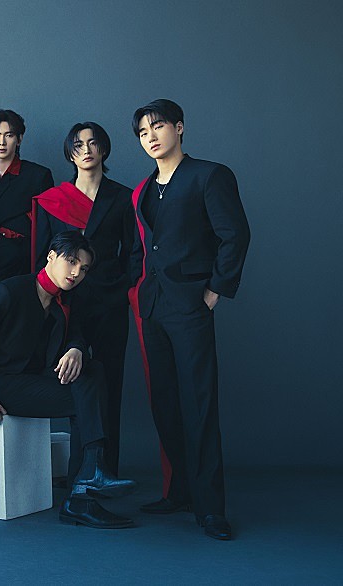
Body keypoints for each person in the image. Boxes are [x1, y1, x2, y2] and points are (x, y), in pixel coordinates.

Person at [0, 230, 137, 529]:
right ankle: (83, 491)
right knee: (86, 398)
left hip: (35, 379)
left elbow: (76, 333)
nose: (76, 273)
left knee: (92, 373)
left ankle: (88, 477)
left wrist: (76, 348)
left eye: (84, 268)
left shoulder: (66, 300)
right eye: (71, 262)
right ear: (51, 256)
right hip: (3, 384)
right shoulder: (9, 292)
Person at [129, 99, 250, 540]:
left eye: (158, 127)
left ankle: (210, 507)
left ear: (179, 128)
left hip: (191, 305)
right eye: (143, 133)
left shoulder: (209, 175)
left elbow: (235, 234)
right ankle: (179, 490)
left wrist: (216, 290)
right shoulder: (144, 189)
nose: (151, 137)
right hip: (153, 306)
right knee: (164, 402)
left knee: (198, 403)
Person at [32, 121, 134, 475]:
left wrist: (120, 290)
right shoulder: (53, 201)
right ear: (70, 153)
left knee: (110, 384)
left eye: (93, 143)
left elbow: (133, 254)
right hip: (65, 306)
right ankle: (79, 473)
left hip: (110, 304)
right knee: (74, 383)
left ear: (103, 149)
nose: (86, 150)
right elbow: (41, 257)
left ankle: (106, 471)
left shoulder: (123, 197)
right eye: (78, 145)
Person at [0, 109, 53, 291]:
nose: (2, 142)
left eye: (9, 135)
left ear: (19, 139)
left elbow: (46, 230)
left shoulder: (38, 176)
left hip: (25, 264)